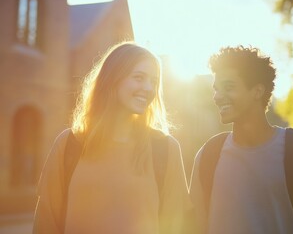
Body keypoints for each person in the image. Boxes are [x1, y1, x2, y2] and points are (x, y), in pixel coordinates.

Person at [33, 42, 189, 234]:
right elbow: (46, 223)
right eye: (139, 77)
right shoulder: (68, 144)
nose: (149, 88)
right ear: (112, 80)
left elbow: (176, 225)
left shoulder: (165, 149)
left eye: (154, 82)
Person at [189, 46, 293, 234]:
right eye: (216, 89)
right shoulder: (208, 155)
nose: (217, 96)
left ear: (257, 91)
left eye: (228, 87)